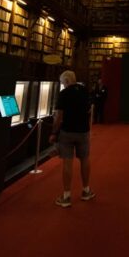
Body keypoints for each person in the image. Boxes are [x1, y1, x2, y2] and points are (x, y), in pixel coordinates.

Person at [50, 70, 95, 207]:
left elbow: (59, 116)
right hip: (83, 131)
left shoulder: (64, 94)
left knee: (67, 163)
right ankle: (86, 191)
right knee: (85, 160)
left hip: (67, 132)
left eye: (63, 82)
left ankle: (66, 196)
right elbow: (88, 109)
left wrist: (53, 133)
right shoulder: (84, 90)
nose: (63, 85)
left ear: (67, 81)